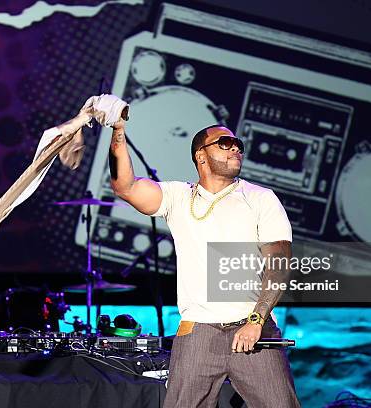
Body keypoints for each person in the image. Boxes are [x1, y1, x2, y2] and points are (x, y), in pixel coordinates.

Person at [109, 121, 300, 407]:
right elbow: (125, 187)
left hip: (252, 328)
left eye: (238, 145)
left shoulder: (260, 198)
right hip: (198, 331)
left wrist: (257, 320)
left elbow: (279, 264)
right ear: (201, 155)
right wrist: (118, 132)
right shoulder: (178, 196)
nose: (235, 148)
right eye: (225, 143)